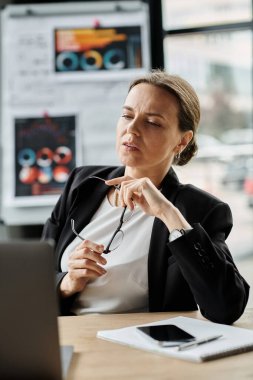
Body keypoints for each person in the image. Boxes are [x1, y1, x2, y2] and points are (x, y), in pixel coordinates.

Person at [42, 69, 249, 324]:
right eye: (127, 115)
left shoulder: (199, 209)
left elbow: (225, 307)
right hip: (67, 338)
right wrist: (68, 283)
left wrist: (169, 214)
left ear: (182, 141)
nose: (132, 128)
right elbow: (33, 282)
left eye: (152, 122)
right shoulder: (82, 184)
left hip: (142, 349)